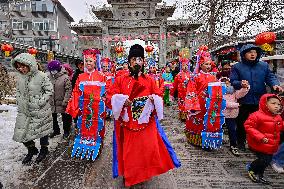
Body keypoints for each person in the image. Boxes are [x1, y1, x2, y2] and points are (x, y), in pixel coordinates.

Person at [108, 44, 180, 187]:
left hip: (146, 125)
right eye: (133, 59)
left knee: (147, 152)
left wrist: (154, 99)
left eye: (139, 59)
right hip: (128, 126)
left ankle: (144, 174)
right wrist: (122, 101)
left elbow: (159, 95)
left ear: (143, 62)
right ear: (129, 62)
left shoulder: (149, 80)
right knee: (130, 154)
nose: (136, 62)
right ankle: (131, 176)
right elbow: (110, 96)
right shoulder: (121, 79)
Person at [230, 44, 283, 151]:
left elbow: (270, 77)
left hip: (260, 100)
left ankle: (255, 143)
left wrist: (275, 84)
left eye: (254, 52)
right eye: (250, 52)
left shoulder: (263, 66)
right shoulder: (237, 67)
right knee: (242, 123)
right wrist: (240, 83)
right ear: (244, 54)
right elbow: (233, 81)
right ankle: (241, 141)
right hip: (244, 100)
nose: (252, 54)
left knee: (260, 124)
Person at [11, 53, 53, 164]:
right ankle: (31, 150)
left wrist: (40, 102)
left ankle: (44, 150)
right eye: (19, 66)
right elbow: (19, 92)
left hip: (40, 109)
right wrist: (19, 102)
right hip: (25, 111)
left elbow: (49, 91)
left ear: (30, 64)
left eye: (23, 66)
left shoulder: (41, 75)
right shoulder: (20, 77)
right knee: (22, 133)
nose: (21, 69)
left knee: (42, 131)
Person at [66, 49, 107, 161]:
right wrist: (73, 106)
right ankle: (85, 142)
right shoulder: (81, 77)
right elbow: (76, 92)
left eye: (91, 61)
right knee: (84, 125)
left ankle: (98, 145)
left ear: (95, 63)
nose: (88, 63)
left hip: (97, 108)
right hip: (84, 107)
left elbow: (106, 91)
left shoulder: (101, 76)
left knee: (98, 127)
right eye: (87, 61)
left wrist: (105, 101)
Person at [245, 94, 283, 184]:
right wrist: (260, 137)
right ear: (265, 104)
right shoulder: (256, 115)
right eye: (273, 103)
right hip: (259, 143)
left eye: (278, 104)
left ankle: (260, 174)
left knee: (267, 161)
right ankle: (251, 169)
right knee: (264, 160)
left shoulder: (278, 117)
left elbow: (280, 126)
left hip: (271, 144)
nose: (276, 106)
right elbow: (248, 126)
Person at [184, 48, 217, 147]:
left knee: (208, 121)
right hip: (198, 104)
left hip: (209, 104)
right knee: (197, 122)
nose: (208, 66)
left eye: (209, 64)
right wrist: (194, 105)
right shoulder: (195, 77)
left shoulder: (214, 77)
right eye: (206, 64)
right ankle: (196, 140)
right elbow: (191, 91)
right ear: (201, 64)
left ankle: (208, 140)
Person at [220, 77, 249, 156]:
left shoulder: (233, 92)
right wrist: (236, 105)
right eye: (225, 84)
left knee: (232, 130)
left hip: (231, 115)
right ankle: (215, 141)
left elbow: (240, 94)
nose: (227, 85)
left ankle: (233, 145)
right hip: (221, 114)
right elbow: (223, 103)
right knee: (218, 129)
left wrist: (245, 87)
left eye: (228, 83)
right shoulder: (220, 93)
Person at [47, 60, 73, 139]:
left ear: (58, 69)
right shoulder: (49, 76)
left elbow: (68, 90)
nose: (52, 72)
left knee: (65, 118)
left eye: (53, 70)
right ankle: (56, 130)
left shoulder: (65, 77)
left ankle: (66, 131)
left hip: (62, 101)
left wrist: (65, 101)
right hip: (52, 101)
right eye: (51, 70)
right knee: (52, 117)